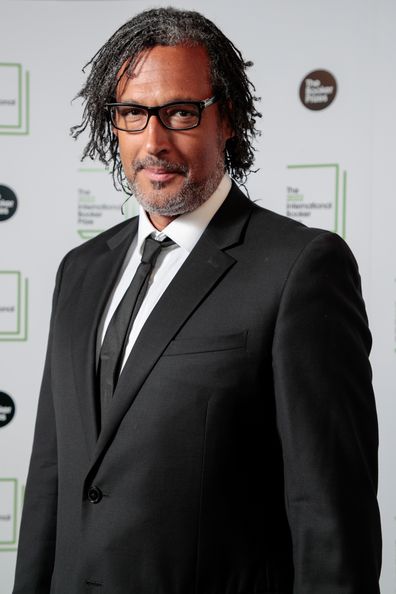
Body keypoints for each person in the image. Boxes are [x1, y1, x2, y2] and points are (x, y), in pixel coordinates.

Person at [13, 7, 381, 594]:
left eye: (181, 113)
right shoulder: (79, 272)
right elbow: (53, 477)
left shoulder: (300, 269)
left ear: (227, 117)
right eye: (133, 114)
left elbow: (329, 514)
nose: (153, 142)